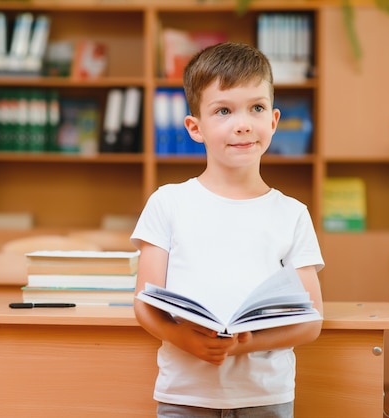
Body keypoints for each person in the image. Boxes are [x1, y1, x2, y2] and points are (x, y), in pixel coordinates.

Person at [130, 42, 324, 417]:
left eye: (257, 107)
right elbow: (145, 303)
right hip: (185, 395)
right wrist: (183, 337)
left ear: (273, 120)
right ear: (195, 127)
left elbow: (311, 321)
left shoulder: (293, 214)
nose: (243, 123)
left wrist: (244, 343)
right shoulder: (167, 203)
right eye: (223, 110)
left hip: (265, 397)